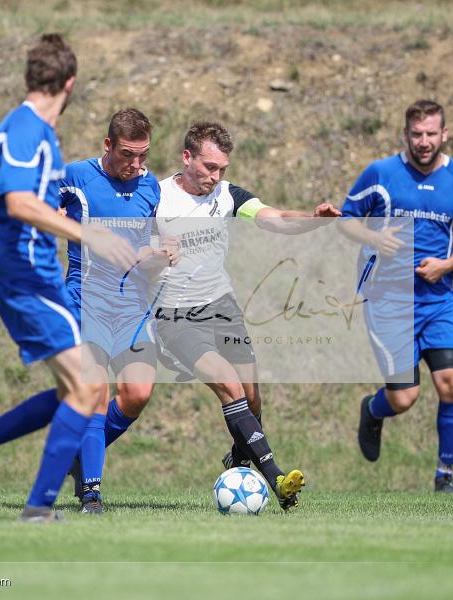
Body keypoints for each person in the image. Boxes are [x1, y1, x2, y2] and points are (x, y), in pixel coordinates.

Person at [0, 34, 136, 522]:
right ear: (69, 84)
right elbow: (18, 201)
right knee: (86, 386)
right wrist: (89, 236)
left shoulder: (23, 129)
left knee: (82, 387)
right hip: (23, 274)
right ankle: (38, 508)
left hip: (34, 275)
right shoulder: (29, 130)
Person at [146, 121, 340, 510]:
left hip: (222, 307)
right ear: (187, 158)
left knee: (251, 397)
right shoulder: (155, 196)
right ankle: (278, 482)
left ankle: (238, 460)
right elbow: (131, 252)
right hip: (176, 314)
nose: (215, 177)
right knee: (230, 387)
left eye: (222, 169)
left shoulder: (227, 195)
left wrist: (312, 219)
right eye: (209, 167)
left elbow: (275, 217)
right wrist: (154, 254)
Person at [338, 99, 453, 493]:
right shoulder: (381, 173)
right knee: (405, 398)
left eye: (431, 134)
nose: (424, 141)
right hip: (388, 301)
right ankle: (373, 410)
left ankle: (445, 476)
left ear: (445, 134)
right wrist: (375, 237)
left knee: (452, 384)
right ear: (406, 134)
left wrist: (448, 263)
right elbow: (345, 219)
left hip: (438, 301)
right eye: (417, 134)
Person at [59, 108, 171, 513]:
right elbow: (40, 216)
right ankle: (91, 491)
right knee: (96, 390)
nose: (136, 165)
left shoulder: (150, 186)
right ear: (108, 145)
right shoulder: (75, 177)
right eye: (128, 154)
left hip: (131, 305)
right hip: (85, 300)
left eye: (143, 156)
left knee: (138, 392)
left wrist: (160, 255)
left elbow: (145, 246)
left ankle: (78, 454)